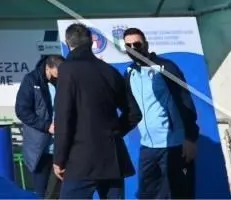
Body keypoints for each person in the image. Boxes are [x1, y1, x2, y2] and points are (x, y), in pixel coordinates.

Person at [52, 23, 142, 199]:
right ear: (91, 42)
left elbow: (64, 117)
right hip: (112, 160)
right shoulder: (109, 71)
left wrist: (59, 159)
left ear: (68, 43)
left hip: (80, 161)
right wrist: (114, 133)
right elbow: (134, 113)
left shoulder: (68, 70)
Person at [122, 27, 199, 199]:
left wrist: (190, 137)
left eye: (137, 44)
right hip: (148, 148)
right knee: (148, 194)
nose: (134, 49)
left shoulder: (166, 68)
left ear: (146, 44)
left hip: (173, 145)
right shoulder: (129, 73)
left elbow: (185, 102)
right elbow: (132, 111)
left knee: (180, 193)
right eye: (129, 46)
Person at [15, 54, 64, 198]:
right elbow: (22, 111)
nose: (60, 76)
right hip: (39, 148)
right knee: (40, 191)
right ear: (48, 68)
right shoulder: (31, 80)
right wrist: (46, 126)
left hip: (61, 147)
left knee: (59, 192)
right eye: (57, 73)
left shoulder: (64, 81)